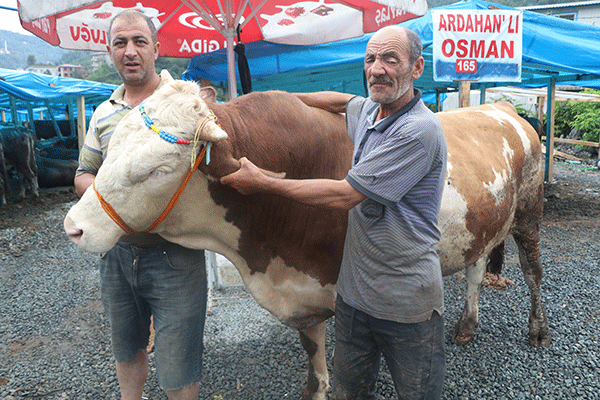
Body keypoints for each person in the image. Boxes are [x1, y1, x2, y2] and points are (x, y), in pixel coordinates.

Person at [220, 25, 447, 399]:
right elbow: (342, 102)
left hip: (406, 303)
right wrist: (279, 102)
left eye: (391, 59)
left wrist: (264, 182)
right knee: (348, 392)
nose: (377, 69)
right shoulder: (373, 112)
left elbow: (347, 194)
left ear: (417, 67)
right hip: (355, 300)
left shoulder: (418, 130)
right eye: (371, 59)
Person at [74, 10, 207, 400]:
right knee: (126, 348)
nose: (129, 51)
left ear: (156, 48)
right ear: (110, 52)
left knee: (179, 364)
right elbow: (84, 174)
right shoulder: (103, 113)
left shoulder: (186, 104)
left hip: (176, 255)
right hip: (117, 252)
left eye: (139, 42)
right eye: (120, 43)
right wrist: (117, 194)